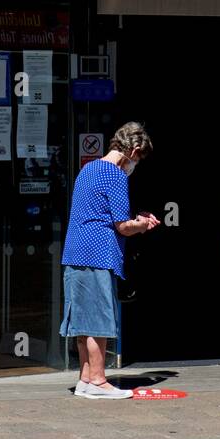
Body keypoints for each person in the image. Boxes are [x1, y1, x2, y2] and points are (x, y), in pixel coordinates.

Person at [61, 122, 159, 400]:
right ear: (134, 150)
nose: (135, 165)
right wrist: (141, 224)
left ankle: (84, 378)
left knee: (82, 319)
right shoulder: (115, 175)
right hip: (98, 251)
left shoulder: (88, 168)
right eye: (138, 159)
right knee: (100, 319)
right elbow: (122, 226)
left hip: (75, 250)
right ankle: (98, 380)